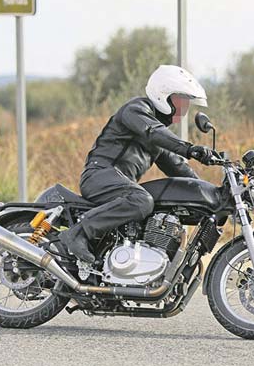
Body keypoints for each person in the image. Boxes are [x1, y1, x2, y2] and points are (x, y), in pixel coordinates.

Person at [58, 65, 214, 263]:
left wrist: (209, 195)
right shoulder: (136, 110)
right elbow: (153, 131)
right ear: (163, 95)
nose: (184, 108)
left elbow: (179, 168)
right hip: (99, 176)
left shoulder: (158, 136)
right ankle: (77, 233)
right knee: (141, 200)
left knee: (157, 206)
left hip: (119, 184)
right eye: (180, 100)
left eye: (187, 102)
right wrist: (189, 149)